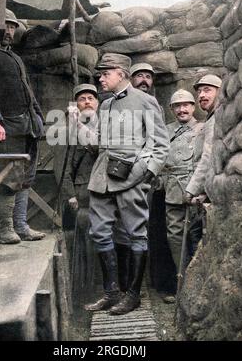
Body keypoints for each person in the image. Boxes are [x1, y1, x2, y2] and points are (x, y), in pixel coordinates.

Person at [85, 53, 170, 315]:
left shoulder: (146, 101)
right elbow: (99, 142)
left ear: (121, 74)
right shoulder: (106, 105)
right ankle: (112, 293)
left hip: (132, 177)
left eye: (105, 73)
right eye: (100, 74)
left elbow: (160, 144)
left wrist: (145, 171)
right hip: (102, 178)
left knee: (136, 234)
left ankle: (132, 295)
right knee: (99, 231)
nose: (100, 78)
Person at [0, 9, 46, 244]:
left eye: (13, 26)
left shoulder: (15, 57)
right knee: (7, 176)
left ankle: (21, 226)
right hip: (6, 127)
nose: (8, 30)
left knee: (25, 177)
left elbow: (28, 92)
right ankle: (5, 229)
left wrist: (38, 118)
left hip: (27, 126)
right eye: (4, 25)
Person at [53, 84, 99, 300]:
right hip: (83, 195)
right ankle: (88, 290)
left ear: (97, 103)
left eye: (91, 98)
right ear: (76, 105)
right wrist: (70, 194)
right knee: (87, 240)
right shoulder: (66, 132)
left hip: (107, 193)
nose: (87, 101)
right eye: (82, 99)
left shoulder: (104, 128)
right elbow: (62, 169)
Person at [161, 89, 204, 303]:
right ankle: (182, 287)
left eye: (186, 104)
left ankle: (200, 289)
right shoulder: (166, 131)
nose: (182, 109)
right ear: (171, 109)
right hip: (172, 191)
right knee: (175, 238)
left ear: (193, 107)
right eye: (177, 106)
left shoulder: (203, 129)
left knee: (197, 238)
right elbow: (160, 161)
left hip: (197, 192)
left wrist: (200, 190)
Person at [185, 75, 222, 204]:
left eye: (207, 90)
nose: (201, 95)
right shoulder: (212, 117)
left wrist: (192, 189)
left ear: (220, 92)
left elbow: (208, 156)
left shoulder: (217, 118)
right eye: (199, 92)